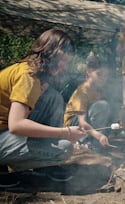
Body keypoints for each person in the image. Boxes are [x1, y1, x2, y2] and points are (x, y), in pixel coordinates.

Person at [0, 28, 86, 187]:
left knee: (53, 97)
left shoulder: (32, 72)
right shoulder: (28, 76)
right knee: (64, 149)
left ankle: (44, 167)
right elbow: (16, 125)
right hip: (4, 134)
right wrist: (64, 132)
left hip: (3, 132)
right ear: (50, 53)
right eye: (63, 62)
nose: (64, 68)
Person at [63, 54, 111, 150]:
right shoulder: (82, 91)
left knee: (103, 106)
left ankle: (92, 141)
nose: (103, 78)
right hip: (73, 126)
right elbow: (82, 122)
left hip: (87, 125)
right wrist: (99, 136)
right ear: (89, 72)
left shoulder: (98, 90)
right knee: (102, 106)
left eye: (106, 76)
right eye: (99, 74)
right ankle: (82, 142)